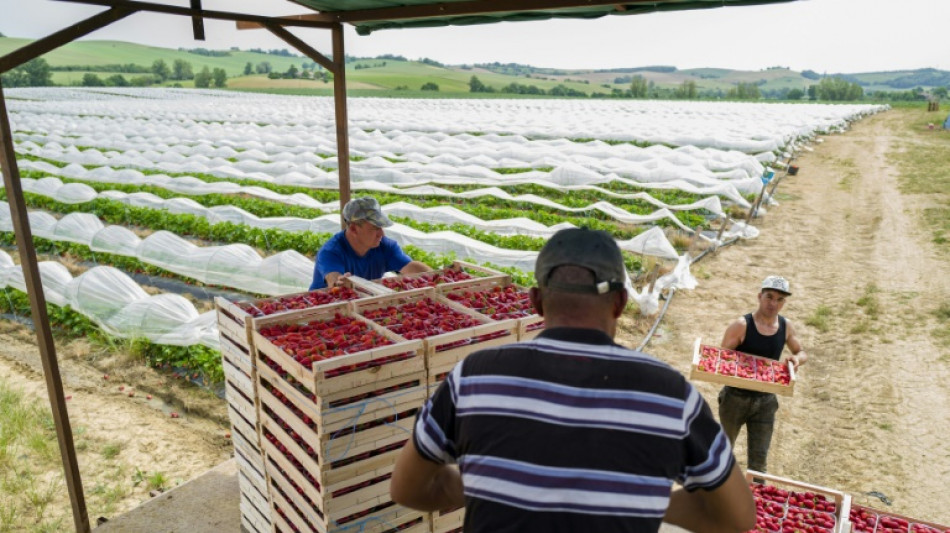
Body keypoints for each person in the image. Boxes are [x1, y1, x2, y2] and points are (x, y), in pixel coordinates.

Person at [390, 227, 756, 533]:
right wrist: (641, 503)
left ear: (535, 301)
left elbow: (406, 487)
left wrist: (483, 485)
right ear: (620, 303)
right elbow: (737, 517)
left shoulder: (473, 378)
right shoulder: (671, 396)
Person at [718, 275, 809, 476]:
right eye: (769, 297)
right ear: (759, 296)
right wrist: (744, 366)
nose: (773, 303)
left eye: (779, 300)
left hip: (766, 401)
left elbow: (801, 352)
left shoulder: (786, 327)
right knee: (723, 454)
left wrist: (796, 360)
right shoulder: (742, 325)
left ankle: (759, 504)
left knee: (759, 464)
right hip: (735, 398)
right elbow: (721, 356)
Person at [309, 196, 430, 290]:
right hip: (325, 309)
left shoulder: (385, 246)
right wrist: (340, 282)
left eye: (381, 227)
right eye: (375, 228)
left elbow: (410, 267)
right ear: (354, 229)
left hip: (359, 303)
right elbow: (333, 279)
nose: (381, 234)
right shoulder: (331, 251)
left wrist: (440, 276)